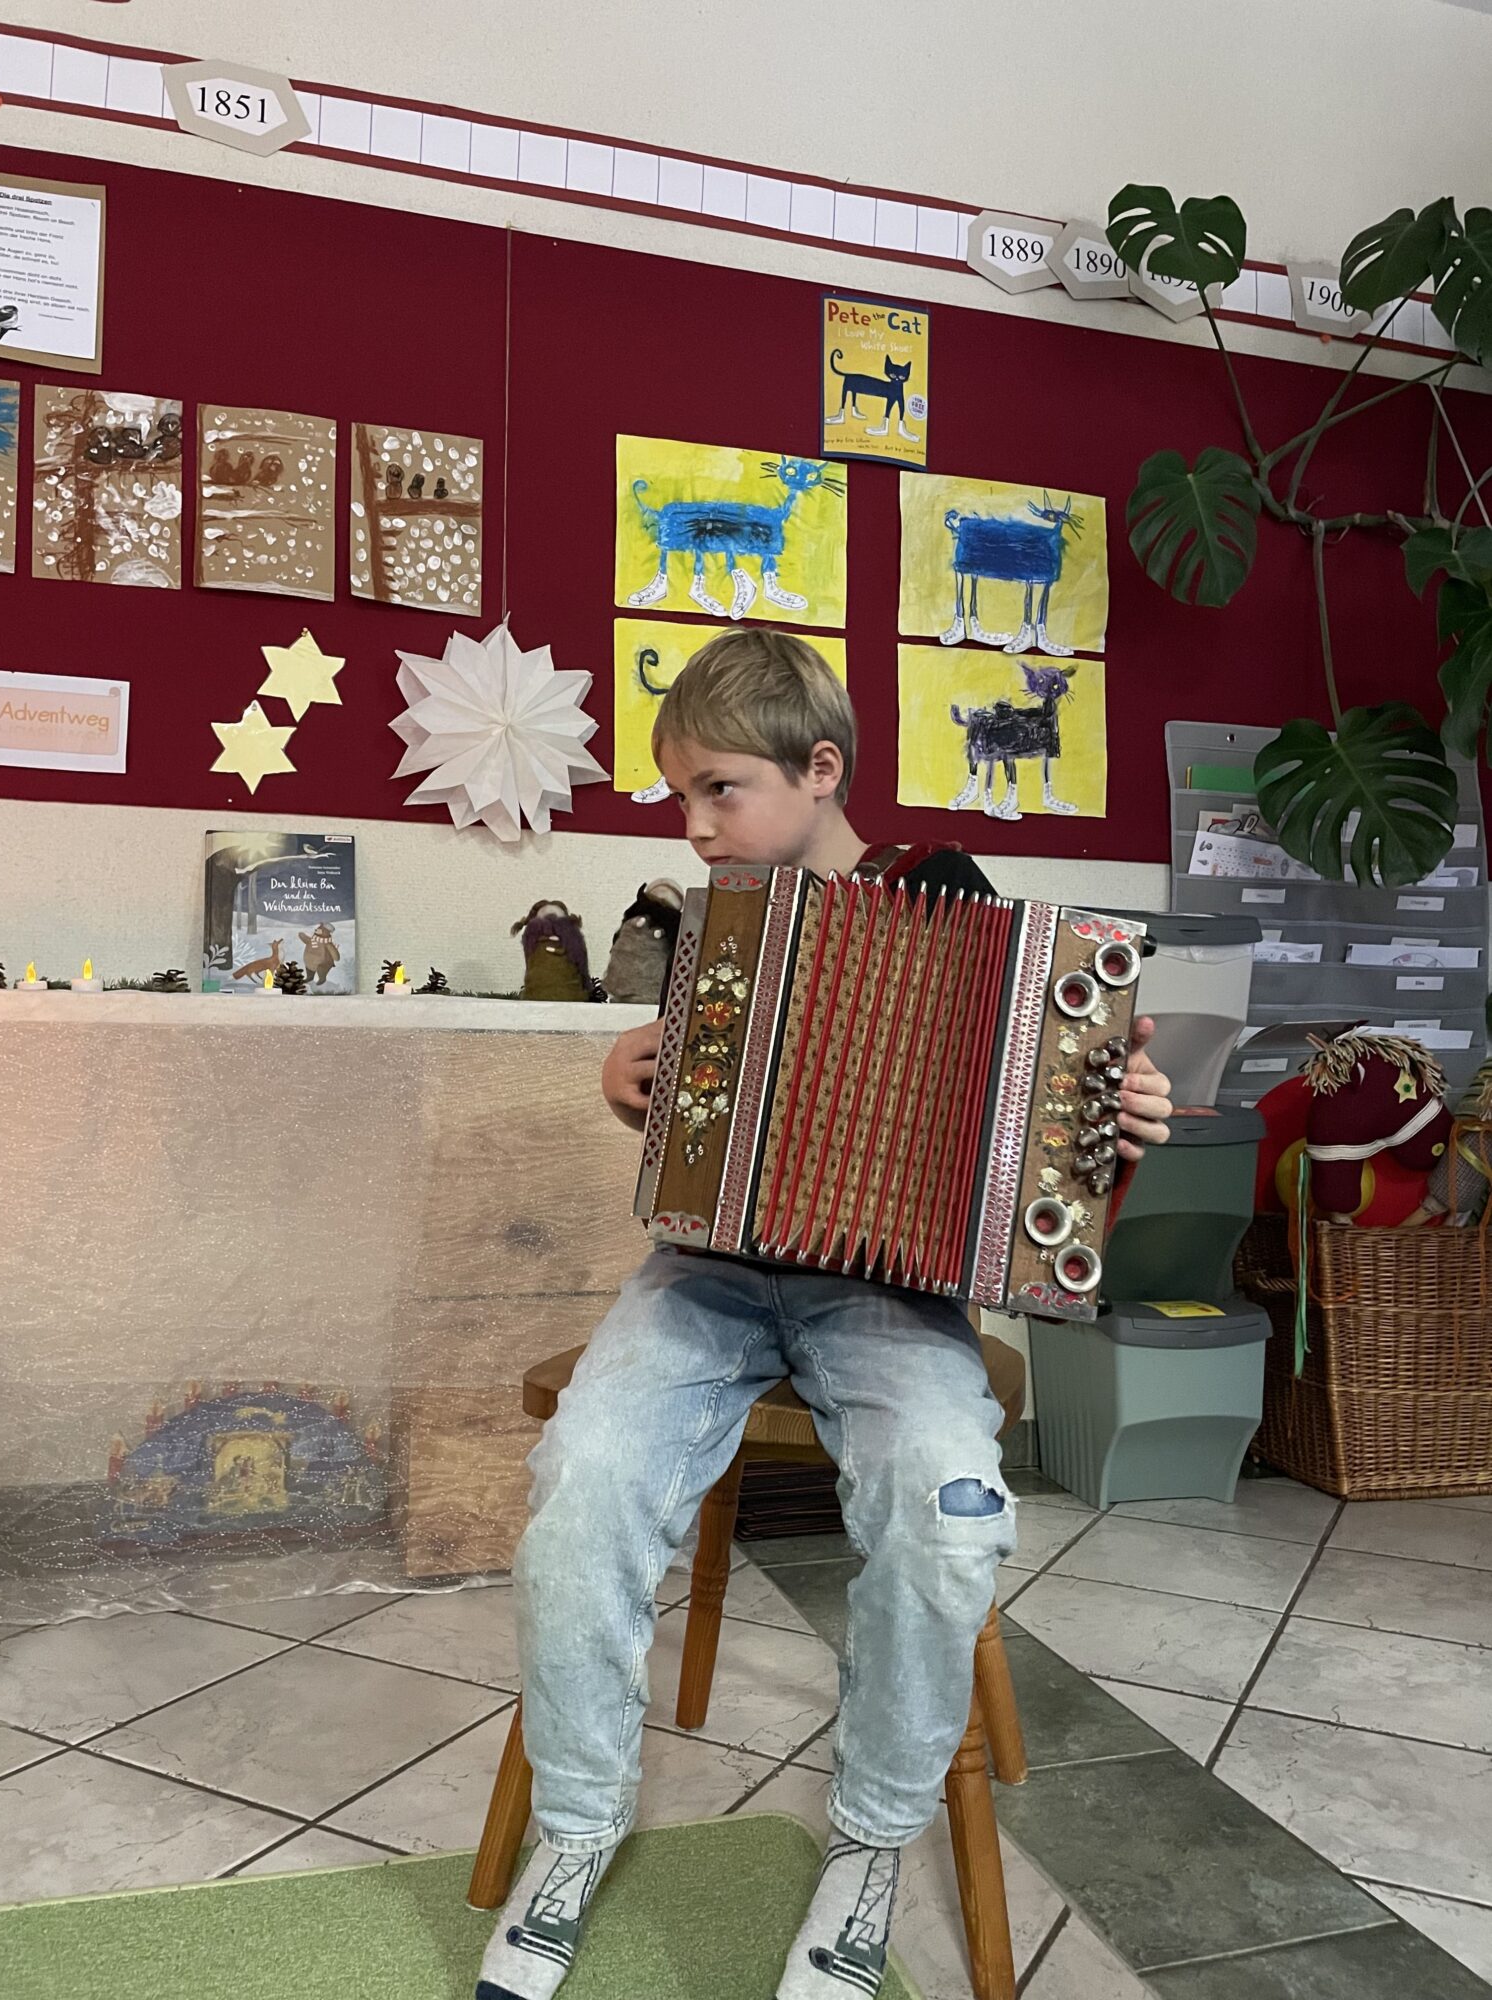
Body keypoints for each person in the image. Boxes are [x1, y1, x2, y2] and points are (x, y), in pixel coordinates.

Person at [476, 630, 1172, 2000]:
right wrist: (624, 1080)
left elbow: (1051, 1113)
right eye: (682, 795)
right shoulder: (710, 926)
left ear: (820, 770)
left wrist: (1117, 1112)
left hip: (889, 1294)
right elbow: (680, 1100)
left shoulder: (949, 894)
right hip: (710, 1275)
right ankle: (579, 1826)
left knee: (947, 1506)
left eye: (720, 789)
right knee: (583, 1480)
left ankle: (868, 1845)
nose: (694, 824)